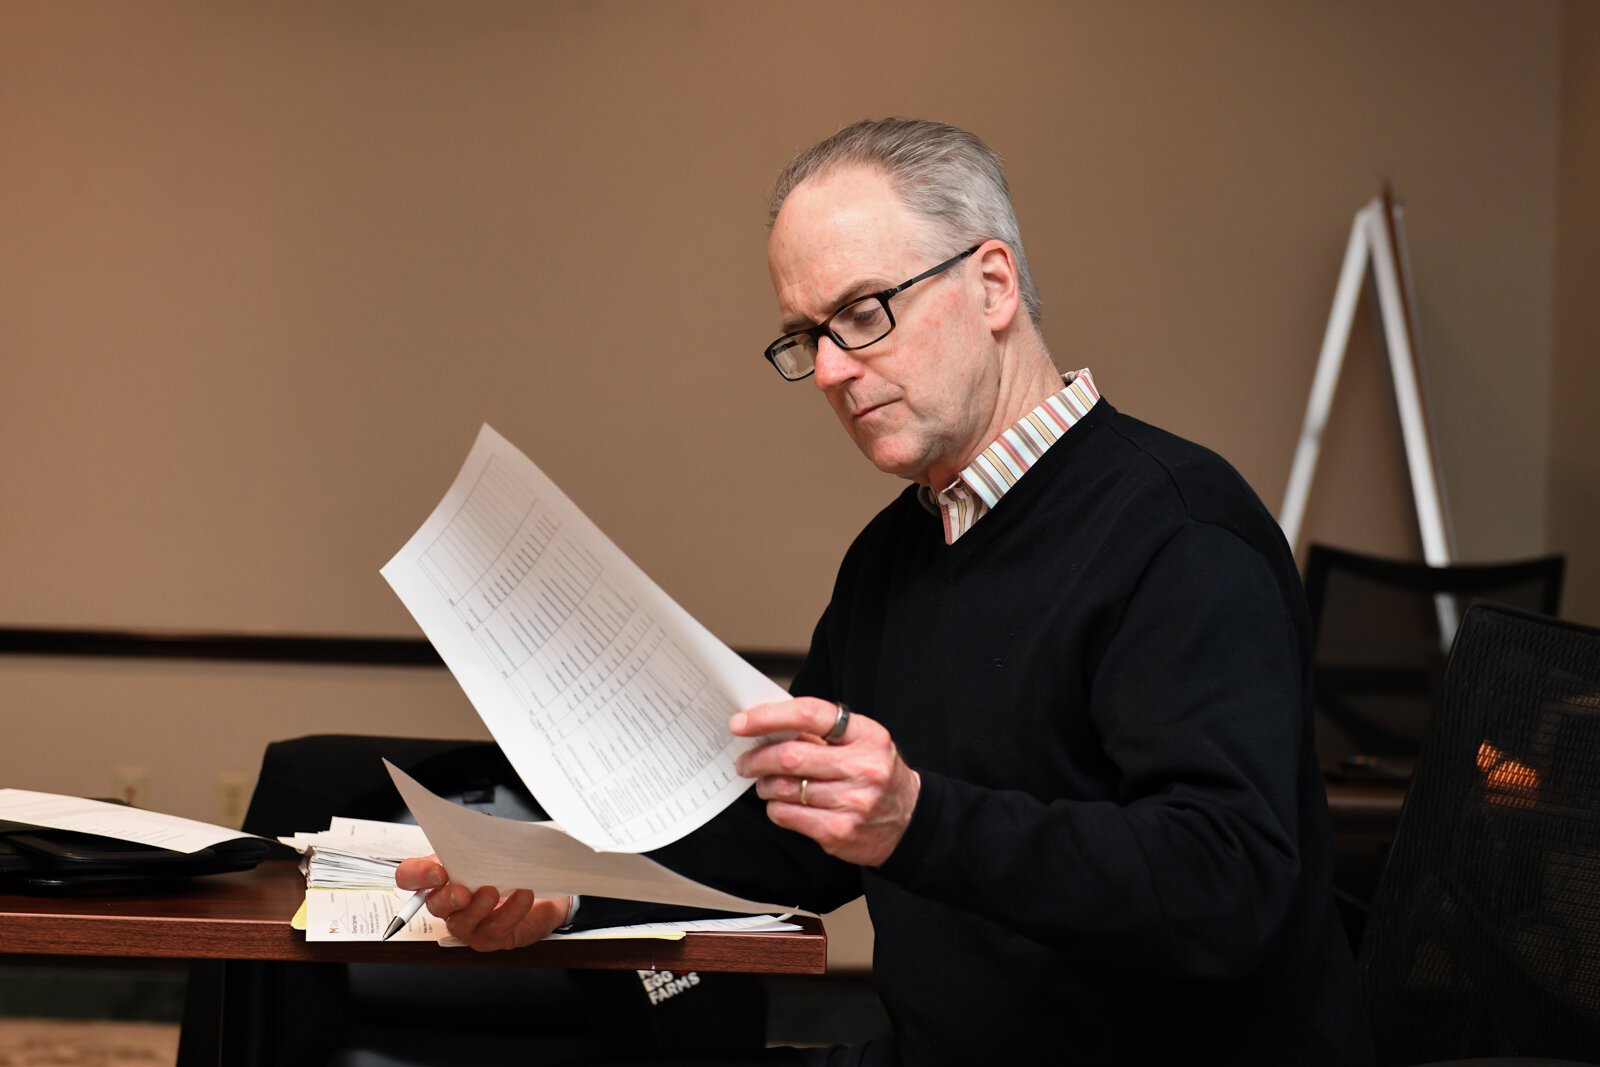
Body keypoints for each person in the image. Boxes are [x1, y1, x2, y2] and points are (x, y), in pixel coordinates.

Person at [398, 118, 1374, 1065]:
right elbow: (794, 842)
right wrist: (564, 891)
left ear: (992, 283)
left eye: (865, 313)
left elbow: (1227, 883)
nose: (829, 368)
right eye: (805, 335)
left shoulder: (1178, 531)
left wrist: (915, 818)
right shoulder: (895, 554)